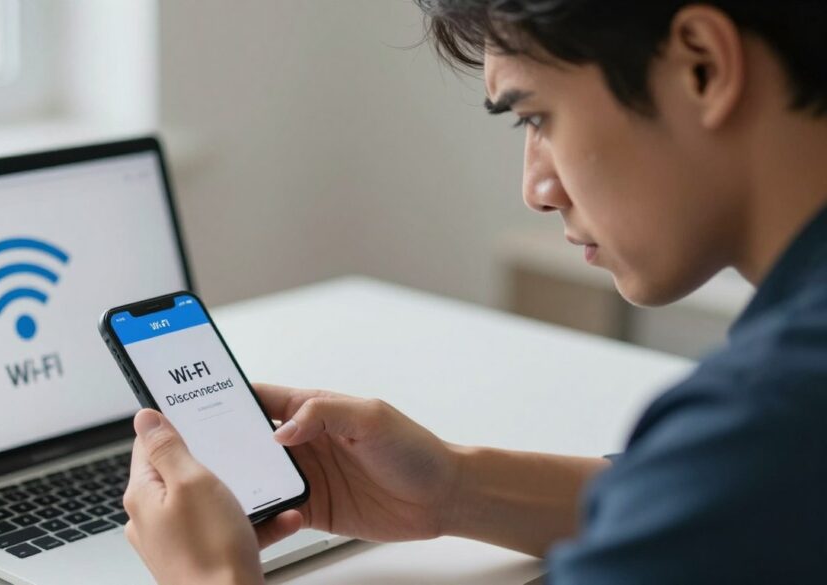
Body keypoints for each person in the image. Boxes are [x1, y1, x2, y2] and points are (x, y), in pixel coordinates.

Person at [120, 1, 827, 583]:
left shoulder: (775, 411)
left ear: (701, 64)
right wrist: (455, 489)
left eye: (537, 117)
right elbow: (744, 501)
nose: (535, 189)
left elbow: (748, 473)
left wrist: (211, 576)